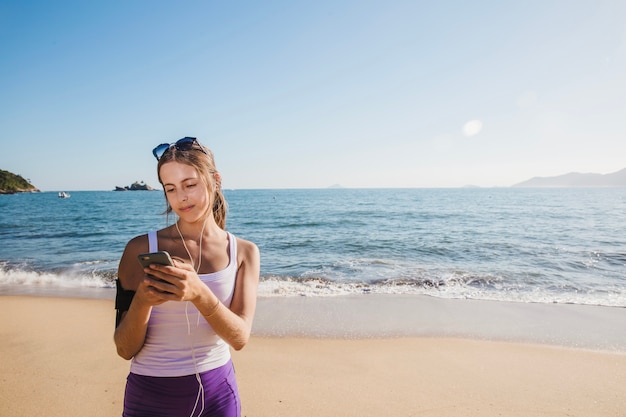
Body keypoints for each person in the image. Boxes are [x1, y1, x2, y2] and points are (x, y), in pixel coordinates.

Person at [114, 137, 260, 417]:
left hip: (218, 394)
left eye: (190, 185)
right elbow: (124, 348)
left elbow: (240, 338)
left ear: (215, 180)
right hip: (150, 396)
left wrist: (199, 293)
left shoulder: (243, 252)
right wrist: (143, 301)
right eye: (171, 189)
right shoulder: (140, 249)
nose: (181, 197)